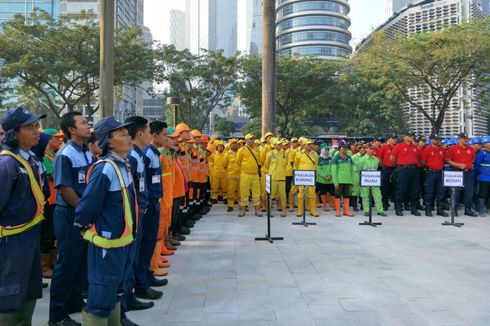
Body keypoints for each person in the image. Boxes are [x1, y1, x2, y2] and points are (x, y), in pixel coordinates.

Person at [74, 116, 136, 325]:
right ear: (109, 141)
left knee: (115, 289)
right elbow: (88, 205)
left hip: (122, 242)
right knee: (101, 294)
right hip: (107, 244)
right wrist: (83, 228)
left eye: (128, 133)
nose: (129, 137)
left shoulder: (122, 165)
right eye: (123, 134)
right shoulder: (105, 168)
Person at [0, 107, 46, 325]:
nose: (37, 131)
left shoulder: (31, 160)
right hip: (11, 243)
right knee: (10, 295)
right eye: (30, 127)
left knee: (29, 291)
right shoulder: (7, 164)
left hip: (29, 238)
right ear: (14, 134)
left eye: (36, 126)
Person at [50, 111, 92, 326]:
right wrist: (84, 210)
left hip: (82, 213)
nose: (88, 126)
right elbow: (65, 189)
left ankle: (74, 302)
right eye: (83, 123)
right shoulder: (65, 154)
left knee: (80, 261)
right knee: (66, 264)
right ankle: (56, 315)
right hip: (69, 214)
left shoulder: (86, 151)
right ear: (72, 130)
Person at [121, 116, 155, 326]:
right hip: (134, 212)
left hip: (141, 209)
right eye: (149, 131)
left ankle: (132, 294)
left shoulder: (138, 155)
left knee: (136, 255)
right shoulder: (131, 157)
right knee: (129, 260)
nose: (151, 135)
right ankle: (125, 300)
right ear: (141, 133)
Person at [134, 121, 166, 301]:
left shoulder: (154, 153)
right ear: (154, 135)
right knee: (144, 243)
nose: (165, 138)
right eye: (163, 135)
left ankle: (146, 275)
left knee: (149, 242)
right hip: (147, 204)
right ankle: (140, 283)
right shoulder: (146, 154)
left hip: (154, 202)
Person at [40, 129, 64, 279]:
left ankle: (52, 263)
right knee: (47, 235)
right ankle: (43, 267)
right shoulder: (45, 159)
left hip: (57, 201)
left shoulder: (55, 156)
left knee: (54, 234)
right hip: (49, 202)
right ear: (48, 140)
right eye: (56, 138)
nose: (59, 141)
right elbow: (55, 176)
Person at [446, 132, 478, 217]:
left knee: (469, 191)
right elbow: (448, 160)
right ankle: (454, 209)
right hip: (457, 172)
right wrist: (458, 165)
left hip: (469, 172)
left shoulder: (470, 149)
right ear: (459, 139)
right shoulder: (453, 148)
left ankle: (468, 209)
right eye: (464, 138)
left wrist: (467, 165)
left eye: (467, 138)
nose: (466, 140)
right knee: (455, 191)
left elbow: (473, 159)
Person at [390, 131, 421, 217]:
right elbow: (392, 158)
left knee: (414, 190)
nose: (412, 137)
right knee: (401, 189)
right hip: (403, 169)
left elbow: (418, 158)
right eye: (410, 136)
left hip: (414, 170)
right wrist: (400, 165)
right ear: (404, 137)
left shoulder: (416, 147)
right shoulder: (399, 146)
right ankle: (398, 208)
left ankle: (413, 209)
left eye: (412, 135)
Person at [420, 133, 448, 217]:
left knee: (440, 192)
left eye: (438, 139)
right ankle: (428, 209)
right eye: (436, 139)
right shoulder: (427, 149)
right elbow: (423, 161)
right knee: (429, 191)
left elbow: (445, 160)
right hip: (431, 173)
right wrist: (428, 168)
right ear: (431, 140)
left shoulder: (442, 150)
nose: (438, 140)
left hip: (440, 172)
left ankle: (440, 209)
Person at [236, 134, 263, 217]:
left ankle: (257, 210)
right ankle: (242, 210)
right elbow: (238, 161)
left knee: (256, 194)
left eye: (253, 139)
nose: (252, 141)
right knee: (244, 193)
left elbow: (259, 160)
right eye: (250, 139)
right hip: (245, 174)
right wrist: (246, 167)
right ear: (246, 140)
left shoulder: (257, 149)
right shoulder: (242, 150)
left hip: (255, 175)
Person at [294, 139, 319, 217]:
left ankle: (313, 210)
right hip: (302, 177)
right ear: (303, 145)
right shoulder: (299, 154)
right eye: (308, 144)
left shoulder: (315, 154)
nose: (310, 145)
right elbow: (296, 165)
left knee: (312, 194)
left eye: (311, 144)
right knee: (301, 194)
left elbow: (316, 165)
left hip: (311, 178)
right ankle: (300, 211)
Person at [359, 144, 387, 216]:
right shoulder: (361, 160)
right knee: (365, 196)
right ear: (366, 149)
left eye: (372, 149)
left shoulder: (376, 159)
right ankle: (366, 211)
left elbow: (377, 169)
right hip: (365, 181)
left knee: (378, 196)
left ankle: (380, 211)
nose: (371, 150)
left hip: (374, 181)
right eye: (369, 149)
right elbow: (358, 170)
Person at [264, 138, 288, 217]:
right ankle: (269, 211)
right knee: (270, 196)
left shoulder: (284, 153)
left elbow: (286, 164)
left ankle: (283, 211)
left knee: (283, 196)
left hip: (282, 178)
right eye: (278, 144)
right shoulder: (270, 154)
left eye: (280, 144)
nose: (280, 145)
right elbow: (267, 165)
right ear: (274, 145)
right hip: (273, 178)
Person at [331, 142, 354, 217]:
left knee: (346, 196)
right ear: (339, 148)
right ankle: (338, 211)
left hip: (348, 180)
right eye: (343, 147)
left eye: (346, 147)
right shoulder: (336, 158)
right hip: (339, 181)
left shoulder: (349, 158)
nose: (345, 149)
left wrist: (352, 181)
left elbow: (352, 170)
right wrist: (335, 183)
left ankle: (346, 211)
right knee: (337, 195)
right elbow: (333, 171)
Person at [379, 134, 397, 210]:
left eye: (395, 138)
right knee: (385, 187)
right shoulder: (384, 147)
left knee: (396, 187)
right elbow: (380, 157)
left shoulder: (397, 147)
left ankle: (397, 205)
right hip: (386, 169)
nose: (394, 140)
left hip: (395, 169)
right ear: (389, 139)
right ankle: (385, 204)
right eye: (392, 138)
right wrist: (383, 166)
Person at [474, 136, 490, 217]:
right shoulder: (481, 154)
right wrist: (477, 175)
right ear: (484, 144)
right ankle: (480, 209)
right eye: (488, 143)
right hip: (483, 177)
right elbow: (477, 165)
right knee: (482, 194)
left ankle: (488, 208)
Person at [316, 144, 334, 212]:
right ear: (322, 150)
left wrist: (330, 175)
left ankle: (333, 204)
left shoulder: (331, 158)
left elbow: (333, 168)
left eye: (328, 150)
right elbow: (318, 169)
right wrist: (324, 176)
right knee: (322, 192)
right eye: (325, 150)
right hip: (321, 179)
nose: (327, 151)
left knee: (332, 192)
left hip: (330, 179)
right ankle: (325, 205)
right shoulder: (319, 158)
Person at [225, 139, 240, 212]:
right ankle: (230, 205)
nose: (235, 145)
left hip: (240, 175)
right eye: (233, 144)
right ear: (230, 145)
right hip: (231, 176)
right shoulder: (227, 154)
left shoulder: (241, 152)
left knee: (241, 191)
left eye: (236, 143)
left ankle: (242, 205)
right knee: (231, 191)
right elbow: (225, 164)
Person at [350, 145, 367, 211]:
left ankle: (363, 206)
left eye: (364, 148)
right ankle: (354, 206)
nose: (362, 150)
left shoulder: (366, 157)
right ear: (359, 149)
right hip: (355, 175)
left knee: (364, 192)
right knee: (355, 191)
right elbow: (350, 167)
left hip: (364, 176)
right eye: (361, 148)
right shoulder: (353, 157)